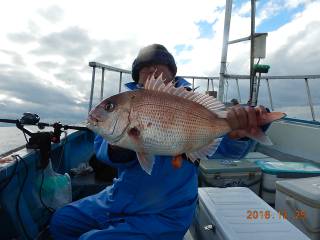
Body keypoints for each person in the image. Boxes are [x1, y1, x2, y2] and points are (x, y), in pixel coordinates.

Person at [50, 44, 267, 240]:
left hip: (166, 214)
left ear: (172, 75)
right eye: (146, 68)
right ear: (138, 78)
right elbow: (102, 148)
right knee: (62, 221)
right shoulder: (127, 103)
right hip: (118, 199)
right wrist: (119, 145)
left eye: (160, 67)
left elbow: (224, 152)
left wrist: (237, 134)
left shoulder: (190, 104)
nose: (153, 71)